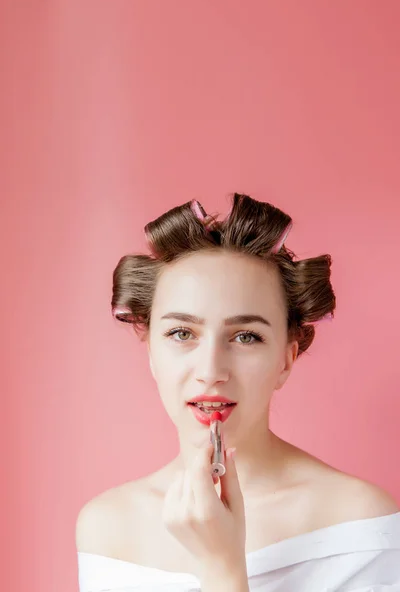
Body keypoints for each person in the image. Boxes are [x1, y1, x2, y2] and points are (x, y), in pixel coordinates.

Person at [76, 193, 400, 591]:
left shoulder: (358, 521)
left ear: (286, 359)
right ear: (151, 354)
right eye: (181, 334)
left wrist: (222, 567)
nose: (211, 372)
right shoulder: (108, 526)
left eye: (246, 336)